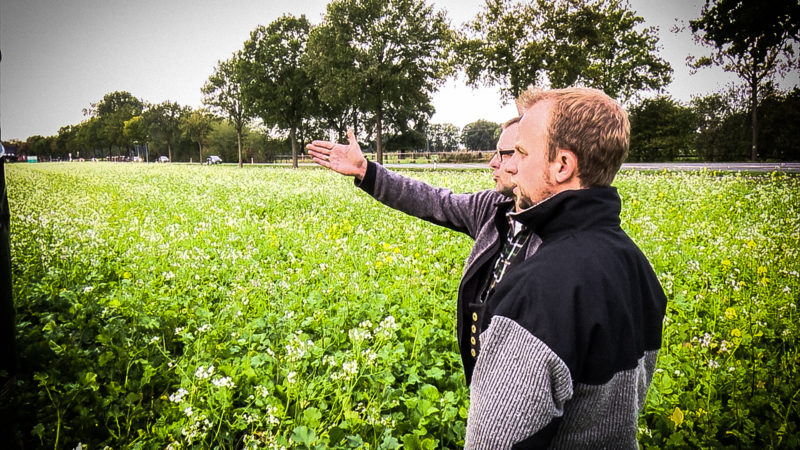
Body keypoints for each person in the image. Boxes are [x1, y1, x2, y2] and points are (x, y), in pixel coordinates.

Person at [308, 86, 666, 449]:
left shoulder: (541, 289)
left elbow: (497, 439)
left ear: (562, 165)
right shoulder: (635, 265)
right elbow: (434, 201)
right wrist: (366, 171)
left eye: (520, 153)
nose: (506, 165)